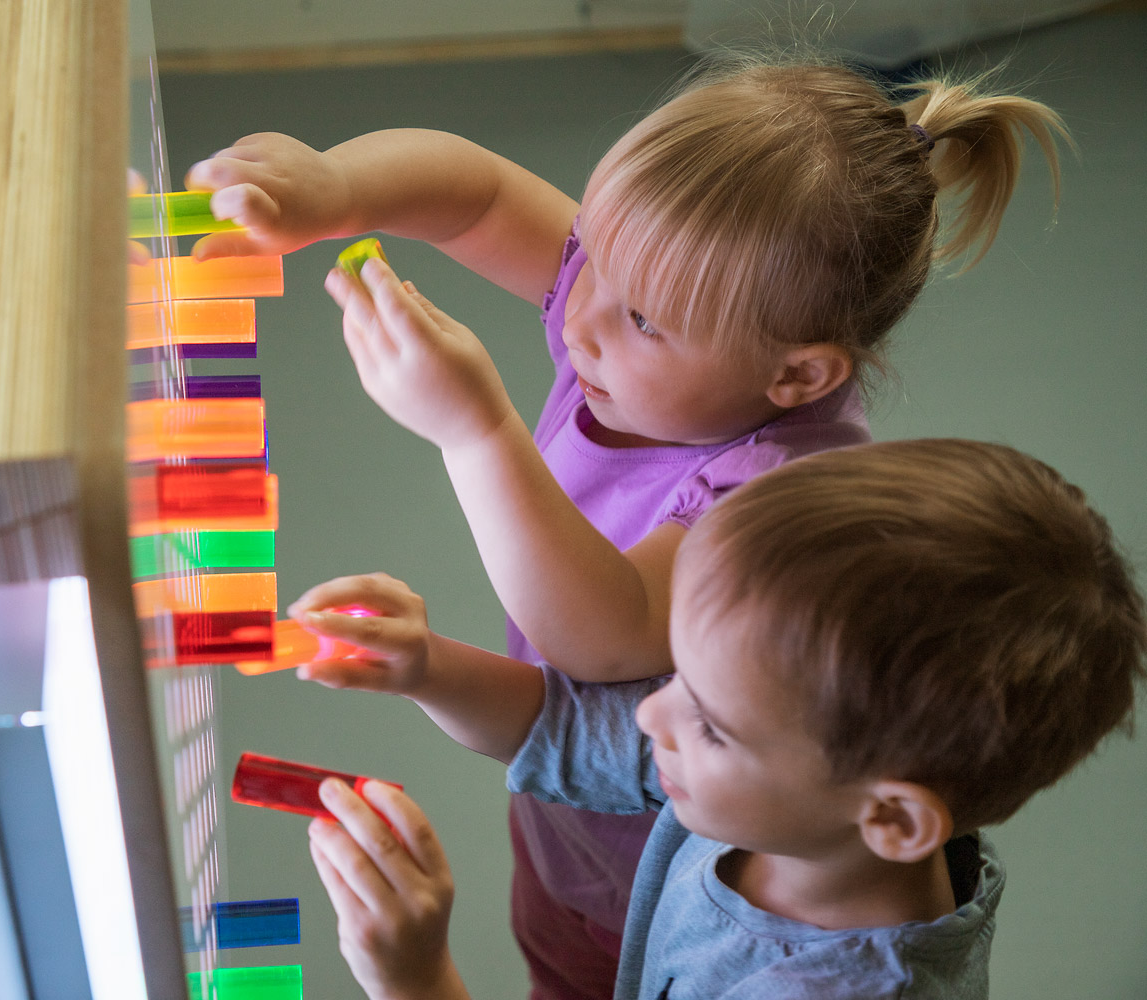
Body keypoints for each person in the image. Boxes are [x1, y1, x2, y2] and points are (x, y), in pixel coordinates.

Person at [186, 58, 1068, 996]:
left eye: (641, 315)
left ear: (798, 377)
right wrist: (336, 187)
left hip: (673, 839)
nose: (578, 315)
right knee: (561, 957)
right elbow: (478, 195)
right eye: (589, 255)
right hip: (598, 794)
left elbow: (599, 638)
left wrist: (473, 430)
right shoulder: (630, 319)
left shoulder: (778, 497)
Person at [286, 439, 1146, 1000]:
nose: (652, 712)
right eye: (679, 676)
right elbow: (565, 731)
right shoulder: (797, 803)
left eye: (712, 723)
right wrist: (429, 668)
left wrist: (415, 977)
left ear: (891, 816)